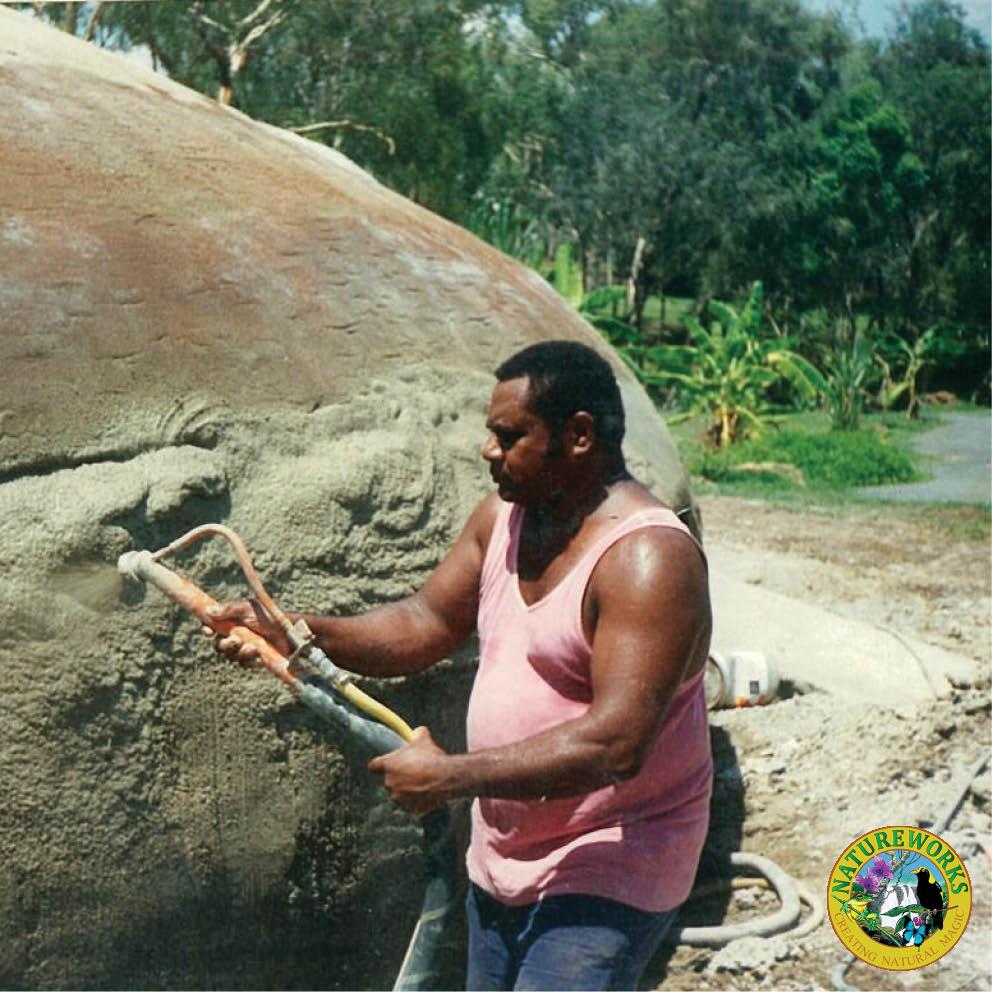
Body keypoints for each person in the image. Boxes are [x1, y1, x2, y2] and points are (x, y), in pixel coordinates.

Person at [208, 340, 713, 991]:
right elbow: (425, 623)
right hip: (506, 858)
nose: (488, 451)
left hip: (609, 867)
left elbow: (616, 744)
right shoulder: (504, 519)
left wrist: (450, 778)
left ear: (579, 436)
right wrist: (297, 632)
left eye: (510, 436)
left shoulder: (647, 561)